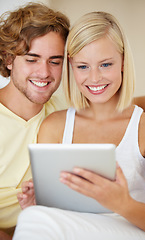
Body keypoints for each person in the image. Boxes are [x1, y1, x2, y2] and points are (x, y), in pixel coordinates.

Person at [13, 11, 145, 240]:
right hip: (76, 231)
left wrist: (122, 204)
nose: (94, 78)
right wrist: (38, 205)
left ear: (123, 62)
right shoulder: (55, 126)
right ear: (71, 66)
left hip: (136, 232)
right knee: (32, 217)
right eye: (83, 66)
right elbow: (57, 214)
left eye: (105, 64)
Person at [0, 2, 70, 239]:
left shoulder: (63, 111)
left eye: (55, 61)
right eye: (32, 59)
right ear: (9, 59)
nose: (44, 73)